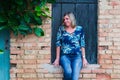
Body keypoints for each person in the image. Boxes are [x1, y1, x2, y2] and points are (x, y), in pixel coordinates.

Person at [53, 12, 88, 80]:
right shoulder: (61, 29)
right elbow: (58, 44)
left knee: (74, 78)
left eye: (67, 19)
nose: (65, 21)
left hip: (77, 57)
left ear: (71, 19)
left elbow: (82, 44)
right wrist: (57, 58)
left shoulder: (79, 29)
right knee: (68, 72)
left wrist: (84, 58)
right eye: (64, 19)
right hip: (65, 56)